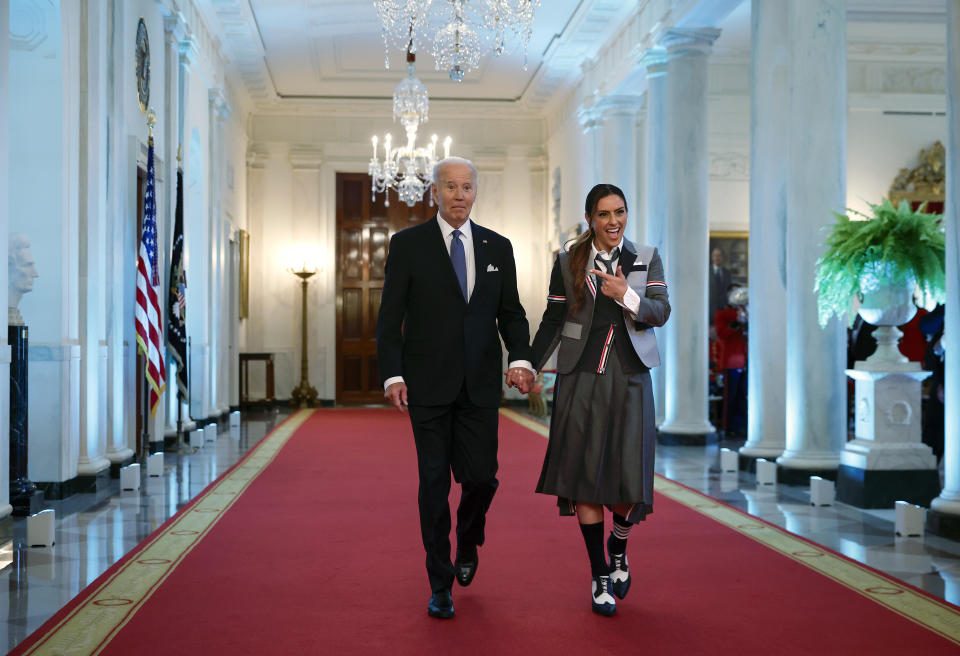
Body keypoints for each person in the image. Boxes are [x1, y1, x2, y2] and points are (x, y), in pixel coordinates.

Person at [376, 156, 534, 620]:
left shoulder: (497, 247)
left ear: (476, 192)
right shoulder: (407, 245)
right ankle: (439, 582)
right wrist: (393, 374)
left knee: (482, 478)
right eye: (450, 186)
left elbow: (511, 312)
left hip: (481, 387)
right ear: (435, 192)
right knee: (432, 485)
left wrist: (520, 357)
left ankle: (469, 540)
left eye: (467, 187)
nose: (460, 195)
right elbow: (390, 319)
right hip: (426, 385)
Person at [530, 183, 670, 616]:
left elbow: (660, 312)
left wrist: (626, 295)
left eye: (621, 212)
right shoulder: (567, 260)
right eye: (605, 214)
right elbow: (555, 317)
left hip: (630, 377)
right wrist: (528, 363)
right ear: (590, 218)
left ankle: (619, 543)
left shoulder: (646, 257)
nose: (614, 222)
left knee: (630, 478)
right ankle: (599, 575)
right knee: (584, 477)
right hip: (581, 378)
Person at [709, 247, 732, 326]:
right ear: (712, 257)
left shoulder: (727, 273)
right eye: (715, 255)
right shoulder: (706, 271)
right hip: (709, 313)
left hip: (724, 313)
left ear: (722, 258)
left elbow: (729, 292)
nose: (717, 258)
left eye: (719, 255)